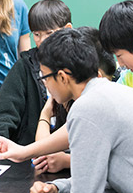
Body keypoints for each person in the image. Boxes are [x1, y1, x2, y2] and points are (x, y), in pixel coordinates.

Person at [0, 28, 133, 193]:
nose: (44, 84)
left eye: (44, 77)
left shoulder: (88, 108)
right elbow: (107, 176)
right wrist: (58, 186)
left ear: (62, 77)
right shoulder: (107, 92)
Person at [0, 0, 72, 151]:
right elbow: (5, 109)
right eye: (37, 34)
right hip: (28, 153)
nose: (42, 40)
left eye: (49, 33)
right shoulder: (25, 66)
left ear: (67, 29)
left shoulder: (79, 64)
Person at [31, 26, 117, 174]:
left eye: (45, 76)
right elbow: (43, 153)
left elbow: (108, 162)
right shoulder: (68, 98)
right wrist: (45, 114)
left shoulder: (100, 102)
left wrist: (66, 161)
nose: (45, 83)